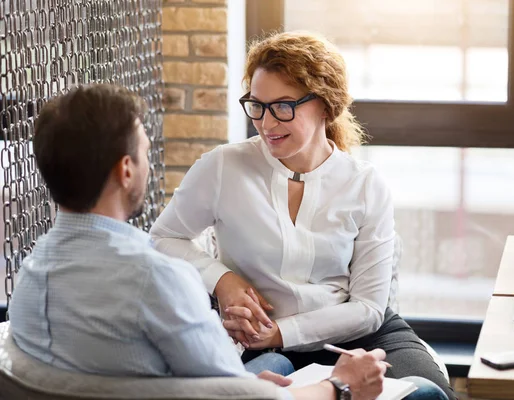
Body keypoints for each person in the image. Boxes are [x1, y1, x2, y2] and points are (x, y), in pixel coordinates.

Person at [7, 84, 390, 400]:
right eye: (144, 151)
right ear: (126, 170)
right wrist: (339, 385)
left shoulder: (30, 273)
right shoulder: (157, 279)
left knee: (274, 367)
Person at [150, 31, 455, 400]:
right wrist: (222, 279)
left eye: (283, 106)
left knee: (428, 394)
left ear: (325, 106)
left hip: (357, 335)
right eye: (257, 105)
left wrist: (281, 331)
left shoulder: (365, 184)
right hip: (260, 344)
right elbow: (163, 238)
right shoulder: (223, 167)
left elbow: (369, 308)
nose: (266, 123)